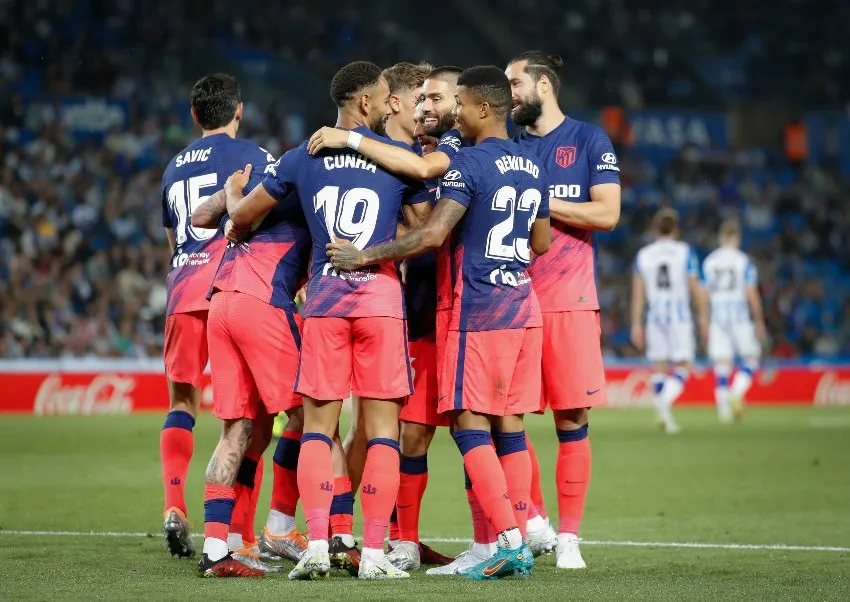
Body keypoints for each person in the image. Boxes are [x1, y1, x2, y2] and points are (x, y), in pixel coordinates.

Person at [309, 65, 554, 573]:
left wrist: (365, 255)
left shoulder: (463, 163)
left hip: (476, 307)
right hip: (523, 306)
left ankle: (506, 540)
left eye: (455, 102)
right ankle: (505, 536)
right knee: (506, 427)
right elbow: (542, 242)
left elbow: (430, 236)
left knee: (467, 425)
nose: (448, 112)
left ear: (481, 108)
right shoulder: (533, 164)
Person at [225, 60, 422, 580]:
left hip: (326, 302)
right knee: (382, 431)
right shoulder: (399, 156)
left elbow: (245, 215)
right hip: (379, 300)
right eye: (383, 98)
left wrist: (230, 201)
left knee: (317, 427)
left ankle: (314, 543)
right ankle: (375, 553)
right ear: (363, 103)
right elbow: (423, 229)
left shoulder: (299, 158)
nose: (388, 105)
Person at [506, 50, 623, 569]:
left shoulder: (587, 139)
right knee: (505, 419)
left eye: (514, 84)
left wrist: (540, 200)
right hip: (511, 300)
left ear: (544, 85)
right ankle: (533, 519)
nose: (509, 94)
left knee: (571, 419)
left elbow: (608, 213)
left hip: (570, 301)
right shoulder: (505, 145)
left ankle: (570, 537)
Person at [159, 73, 275, 560]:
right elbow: (266, 216)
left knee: (182, 404)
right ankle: (239, 535)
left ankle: (174, 506)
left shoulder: (171, 168)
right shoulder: (255, 155)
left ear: (193, 116)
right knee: (250, 416)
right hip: (233, 285)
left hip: (183, 288)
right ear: (239, 110)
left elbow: (173, 242)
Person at [631, 208, 709, 434]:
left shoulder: (643, 255)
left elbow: (638, 293)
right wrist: (704, 319)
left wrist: (636, 324)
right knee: (684, 365)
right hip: (679, 316)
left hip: (655, 316)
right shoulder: (684, 252)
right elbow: (695, 288)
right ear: (676, 229)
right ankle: (663, 401)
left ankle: (664, 415)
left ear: (655, 229)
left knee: (660, 367)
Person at [701, 220, 766, 422]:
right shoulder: (744, 261)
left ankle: (724, 413)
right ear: (737, 238)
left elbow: (704, 295)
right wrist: (759, 321)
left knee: (722, 363)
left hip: (717, 315)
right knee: (752, 358)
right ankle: (736, 393)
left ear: (720, 238)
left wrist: (703, 320)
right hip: (738, 314)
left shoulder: (710, 261)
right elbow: (751, 293)